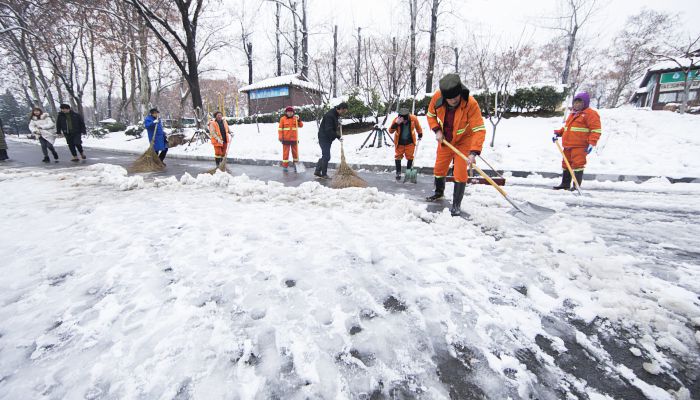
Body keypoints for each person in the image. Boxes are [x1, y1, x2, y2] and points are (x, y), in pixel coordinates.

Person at [425, 74, 486, 216]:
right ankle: (439, 193)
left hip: (464, 141)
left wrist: (473, 152)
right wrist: (437, 130)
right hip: (445, 139)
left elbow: (479, 129)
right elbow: (430, 115)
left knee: (460, 172)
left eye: (456, 97)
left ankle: (456, 204)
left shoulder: (470, 104)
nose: (453, 100)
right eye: (450, 98)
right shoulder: (437, 97)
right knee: (439, 168)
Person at [552, 92, 601, 190]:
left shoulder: (590, 114)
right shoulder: (572, 114)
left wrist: (592, 143)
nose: (577, 104)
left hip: (580, 146)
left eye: (580, 102)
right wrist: (558, 133)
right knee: (566, 164)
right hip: (567, 145)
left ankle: (576, 186)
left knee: (578, 165)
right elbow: (567, 128)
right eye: (575, 102)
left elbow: (596, 130)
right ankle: (565, 184)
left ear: (585, 103)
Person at [314, 102, 348, 179]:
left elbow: (332, 125)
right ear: (340, 109)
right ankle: (324, 174)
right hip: (324, 137)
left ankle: (317, 171)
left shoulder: (335, 114)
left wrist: (338, 123)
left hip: (327, 138)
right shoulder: (330, 115)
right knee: (326, 156)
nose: (343, 113)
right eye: (343, 112)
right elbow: (329, 130)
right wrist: (338, 136)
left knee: (326, 156)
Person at [389, 108, 423, 180]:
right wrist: (396, 124)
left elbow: (418, 127)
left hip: (410, 142)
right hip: (399, 142)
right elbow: (390, 131)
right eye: (402, 121)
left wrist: (420, 133)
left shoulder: (413, 119)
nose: (404, 122)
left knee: (410, 157)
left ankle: (408, 174)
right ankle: (398, 173)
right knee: (398, 156)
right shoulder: (396, 120)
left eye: (405, 120)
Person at [278, 106, 303, 172]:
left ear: (293, 112)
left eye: (291, 112)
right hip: (286, 139)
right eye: (288, 112)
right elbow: (280, 129)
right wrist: (280, 137)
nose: (290, 113)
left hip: (294, 139)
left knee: (295, 154)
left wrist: (299, 119)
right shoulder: (282, 119)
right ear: (286, 112)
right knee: (285, 153)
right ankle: (285, 167)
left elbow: (301, 125)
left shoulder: (295, 118)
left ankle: (296, 166)